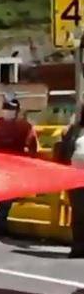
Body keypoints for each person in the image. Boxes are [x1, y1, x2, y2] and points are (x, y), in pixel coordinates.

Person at [0, 98, 38, 235]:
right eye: (6, 108)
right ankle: (0, 223)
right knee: (1, 197)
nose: (8, 111)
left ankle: (0, 224)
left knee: (5, 198)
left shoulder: (25, 127)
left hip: (14, 170)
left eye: (11, 109)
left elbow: (32, 147)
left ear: (17, 111)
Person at [56, 107, 84, 257]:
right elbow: (64, 151)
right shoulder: (73, 131)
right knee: (79, 214)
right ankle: (79, 246)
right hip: (76, 178)